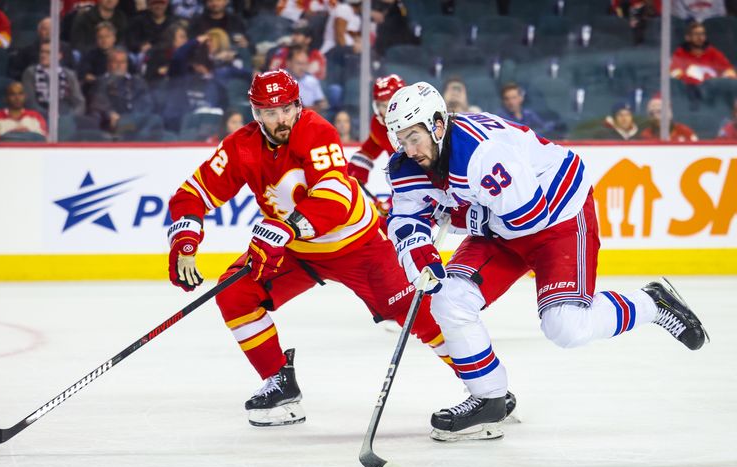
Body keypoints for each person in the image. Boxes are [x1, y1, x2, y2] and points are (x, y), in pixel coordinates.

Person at [383, 81, 709, 442]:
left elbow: (528, 218)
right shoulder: (408, 163)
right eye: (401, 139)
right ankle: (489, 398)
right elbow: (405, 218)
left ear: (438, 125)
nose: (408, 149)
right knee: (448, 298)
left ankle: (652, 302)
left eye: (414, 137)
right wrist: (421, 260)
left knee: (565, 327)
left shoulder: (481, 155)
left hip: (559, 216)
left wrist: (461, 216)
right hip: (500, 225)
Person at [165, 70, 493, 427]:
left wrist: (284, 229)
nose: (280, 120)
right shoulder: (241, 147)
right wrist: (185, 241)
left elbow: (334, 198)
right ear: (255, 113)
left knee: (422, 317)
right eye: (269, 112)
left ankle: (487, 393)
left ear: (298, 104)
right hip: (297, 250)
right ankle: (280, 383)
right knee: (235, 293)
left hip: (360, 244)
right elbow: (191, 194)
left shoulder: (316, 131)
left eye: (286, 109)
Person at [346, 74, 405, 217]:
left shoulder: (413, 124)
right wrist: (356, 170)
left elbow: (419, 172)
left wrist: (394, 202)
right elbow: (371, 147)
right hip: (402, 185)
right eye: (380, 105)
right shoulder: (379, 124)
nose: (383, 111)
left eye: (388, 104)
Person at [88, 47, 159, 138]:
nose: (119, 65)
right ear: (108, 64)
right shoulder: (101, 82)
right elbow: (98, 103)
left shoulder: (138, 81)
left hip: (137, 122)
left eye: (123, 62)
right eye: (116, 62)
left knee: (156, 120)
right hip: (116, 124)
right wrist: (109, 114)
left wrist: (138, 117)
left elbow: (147, 104)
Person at [22, 42, 86, 117]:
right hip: (41, 115)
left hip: (66, 115)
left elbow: (79, 102)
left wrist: (70, 117)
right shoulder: (30, 72)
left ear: (59, 56)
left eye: (48, 52)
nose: (43, 55)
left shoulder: (69, 74)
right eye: (42, 52)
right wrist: (49, 115)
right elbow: (29, 101)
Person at [670, 20, 737, 85]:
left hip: (713, 90)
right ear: (688, 37)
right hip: (690, 90)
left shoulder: (712, 52)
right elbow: (675, 73)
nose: (700, 37)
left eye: (702, 34)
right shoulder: (680, 53)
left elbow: (729, 70)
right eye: (696, 34)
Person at [286, 45, 326, 111]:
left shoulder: (312, 80)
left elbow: (322, 102)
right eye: (299, 63)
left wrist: (318, 106)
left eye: (305, 64)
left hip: (309, 116)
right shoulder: (280, 80)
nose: (302, 68)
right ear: (288, 63)